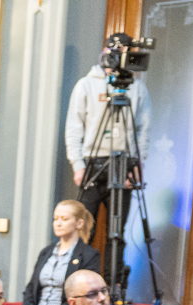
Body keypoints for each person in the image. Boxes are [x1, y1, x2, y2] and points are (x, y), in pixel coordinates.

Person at [65, 34, 151, 239]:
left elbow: (144, 130)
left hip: (124, 165)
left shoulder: (137, 88)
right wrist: (78, 166)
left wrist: (139, 164)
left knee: (117, 234)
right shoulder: (86, 85)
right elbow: (74, 128)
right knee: (85, 231)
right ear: (106, 54)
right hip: (92, 165)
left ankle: (116, 272)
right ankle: (82, 272)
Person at [21, 200, 101, 305]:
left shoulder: (89, 255)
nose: (58, 223)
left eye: (64, 219)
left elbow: (84, 297)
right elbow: (30, 289)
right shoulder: (46, 252)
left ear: (79, 223)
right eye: (55, 218)